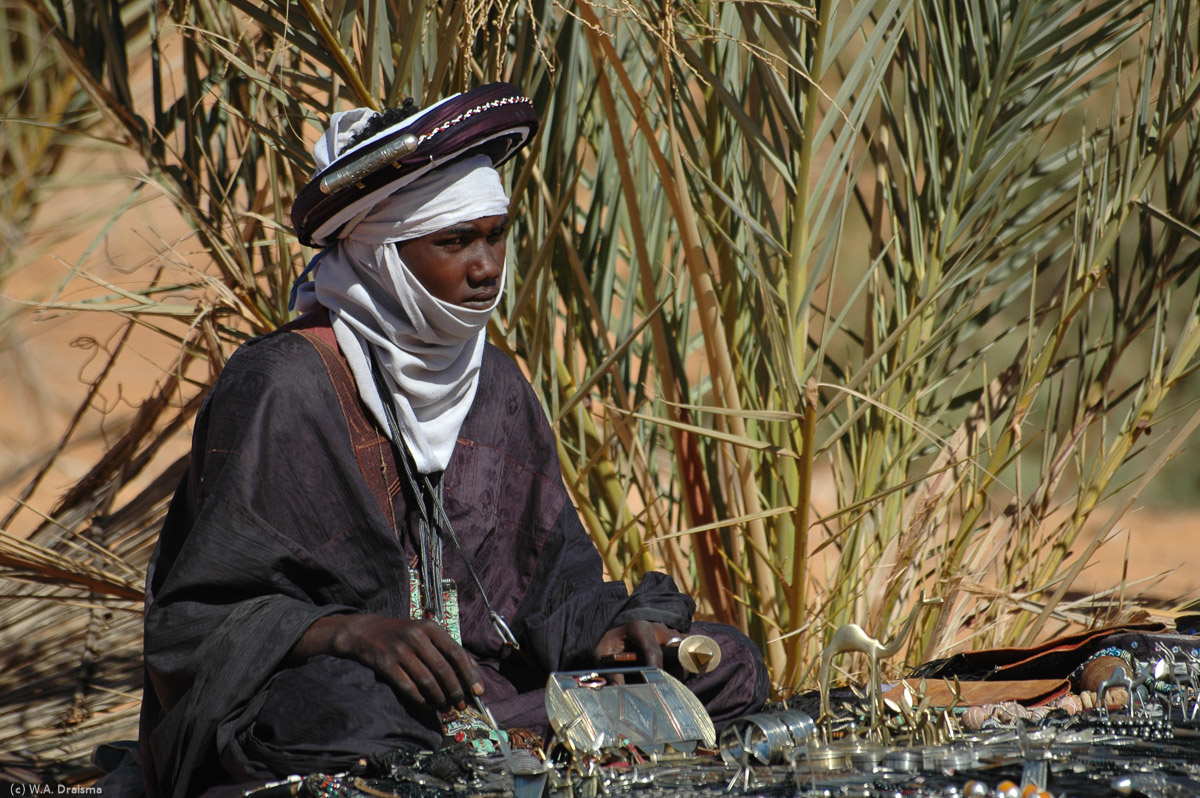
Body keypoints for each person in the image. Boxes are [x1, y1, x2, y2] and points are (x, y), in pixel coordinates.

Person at [138, 83, 768, 798]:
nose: (486, 266)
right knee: (348, 712)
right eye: (454, 241)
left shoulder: (496, 382)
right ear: (382, 253)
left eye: (495, 234)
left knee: (723, 662)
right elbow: (197, 621)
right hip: (353, 701)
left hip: (496, 695)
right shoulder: (282, 384)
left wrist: (615, 632)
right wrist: (350, 634)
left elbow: (552, 585)